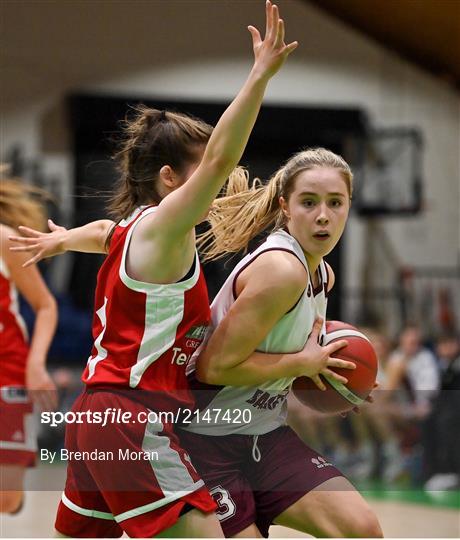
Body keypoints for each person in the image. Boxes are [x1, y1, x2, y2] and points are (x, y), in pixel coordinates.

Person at [10, 2, 303, 536]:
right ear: (170, 179)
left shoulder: (133, 230)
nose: (219, 177)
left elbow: (102, 233)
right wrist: (259, 78)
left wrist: (62, 240)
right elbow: (218, 161)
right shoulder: (166, 230)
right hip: (130, 418)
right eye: (201, 172)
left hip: (94, 414)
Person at [179, 148, 383, 537]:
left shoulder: (322, 273)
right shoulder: (281, 269)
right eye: (309, 202)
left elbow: (295, 356)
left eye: (335, 203)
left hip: (266, 436)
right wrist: (302, 365)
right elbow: (214, 367)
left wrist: (340, 381)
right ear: (285, 208)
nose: (323, 215)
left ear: (348, 208)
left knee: (362, 529)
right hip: (206, 441)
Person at [0, 177, 58, 514]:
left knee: (5, 499)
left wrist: (36, 365)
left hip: (7, 371)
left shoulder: (4, 239)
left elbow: (46, 305)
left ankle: (15, 498)